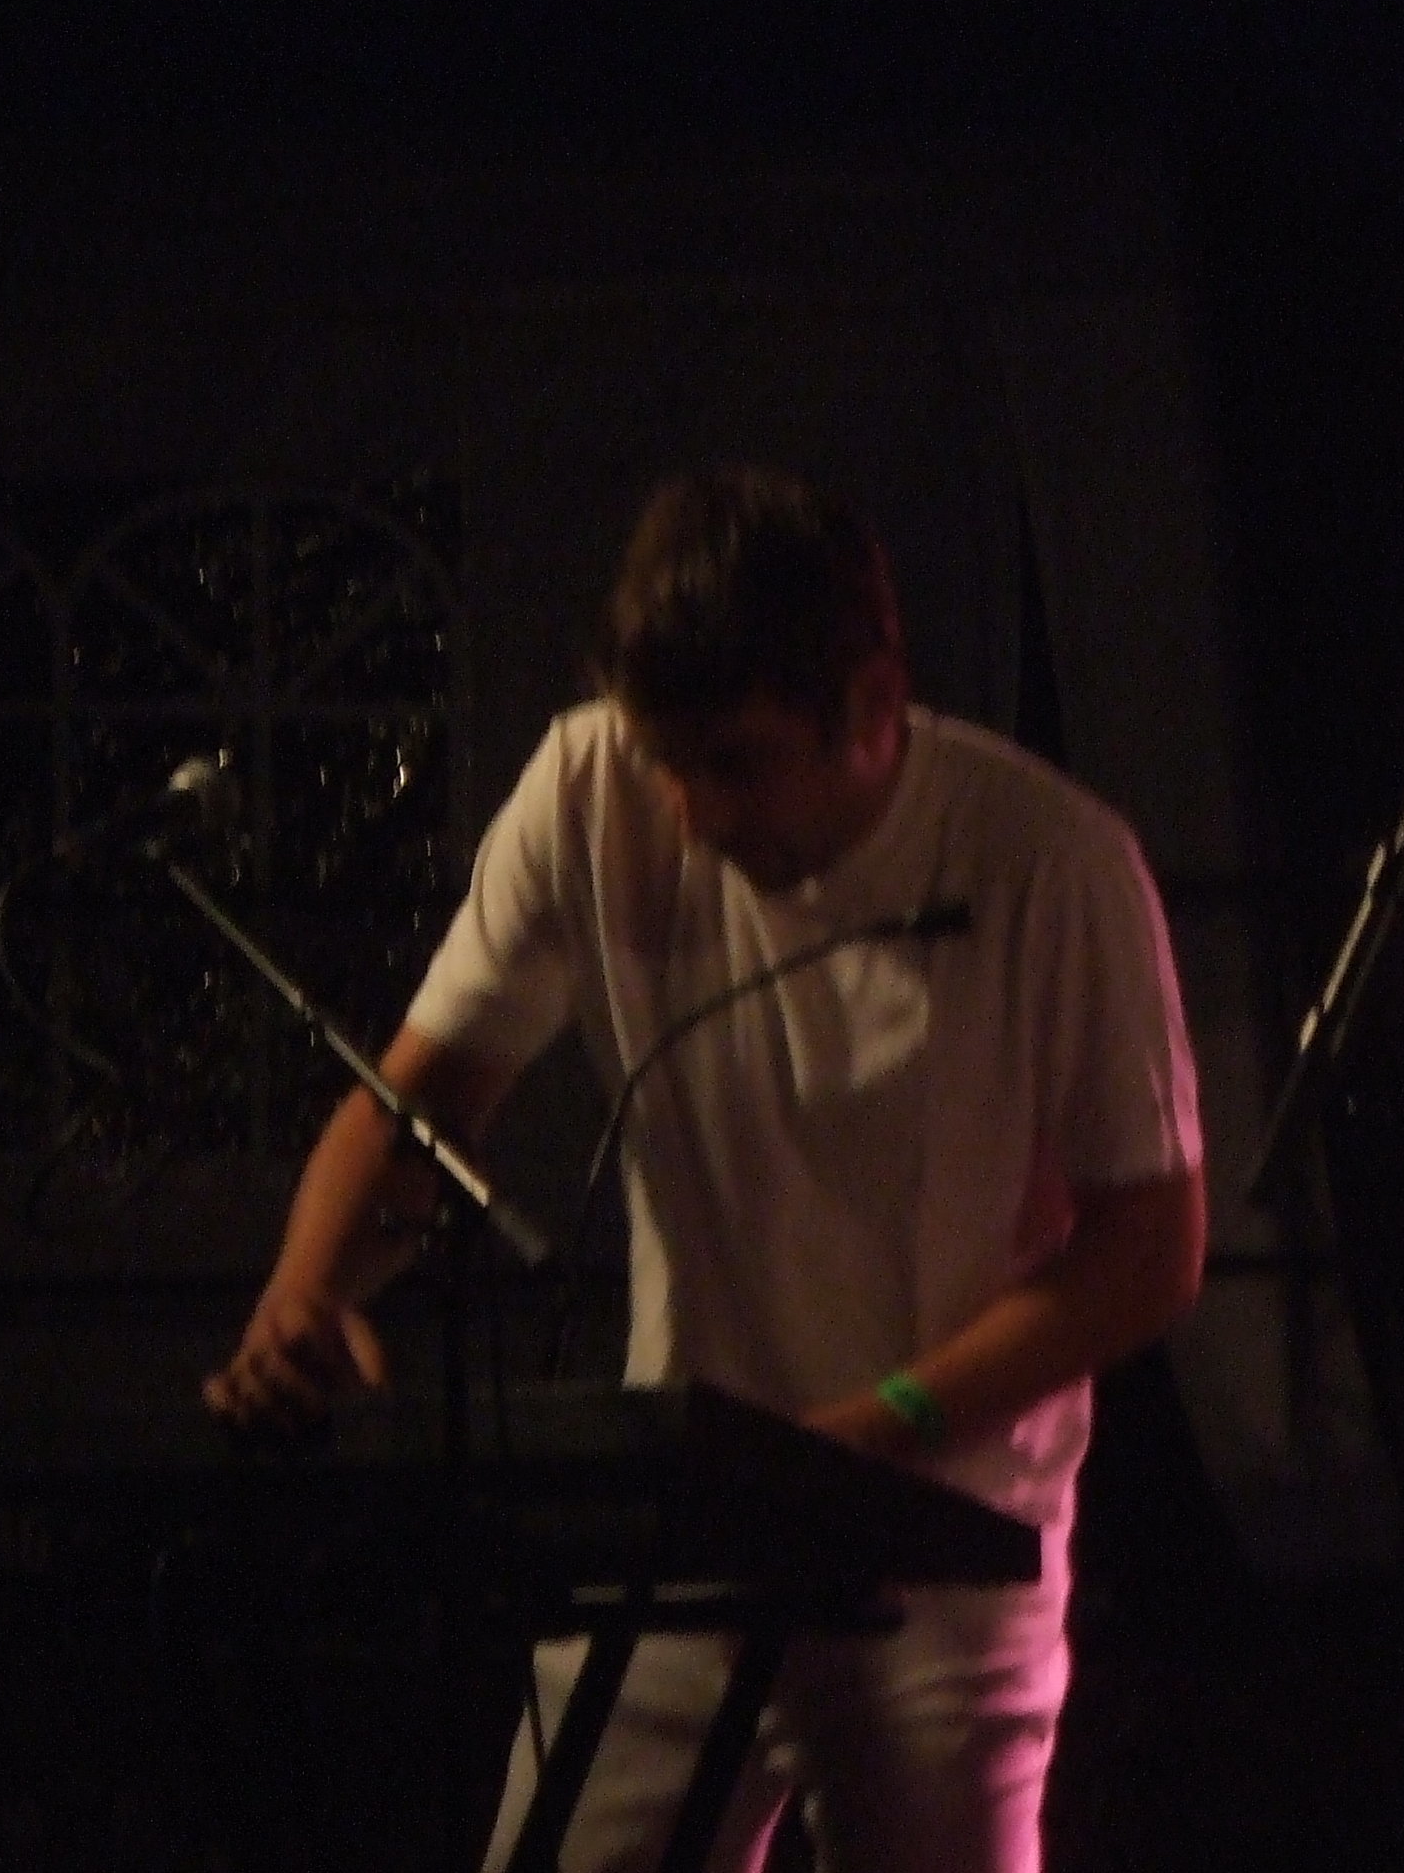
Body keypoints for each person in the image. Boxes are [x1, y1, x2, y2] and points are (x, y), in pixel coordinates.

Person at [205, 463, 1208, 1872]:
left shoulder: (1050, 862)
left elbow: (1148, 1249)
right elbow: (423, 1097)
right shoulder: (589, 786)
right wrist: (306, 1294)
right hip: (677, 1541)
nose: (688, 812)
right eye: (663, 759)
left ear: (873, 701)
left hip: (941, 1561)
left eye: (735, 763)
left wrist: (871, 1433)